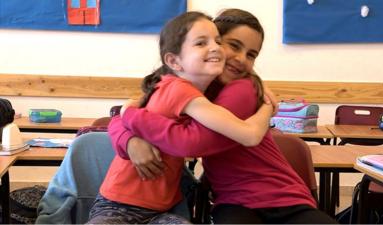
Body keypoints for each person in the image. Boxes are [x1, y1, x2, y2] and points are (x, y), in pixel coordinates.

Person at [110, 9, 337, 224]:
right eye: (233, 46)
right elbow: (120, 115)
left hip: (280, 196)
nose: (240, 59)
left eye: (251, 55)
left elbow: (196, 144)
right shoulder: (189, 87)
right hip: (233, 200)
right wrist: (130, 140)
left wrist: (132, 116)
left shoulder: (242, 88)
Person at [87, 11, 273, 224]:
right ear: (175, 61)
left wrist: (128, 113)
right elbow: (249, 135)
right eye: (201, 43)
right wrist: (267, 108)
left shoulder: (173, 86)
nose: (215, 47)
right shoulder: (181, 91)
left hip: (162, 208)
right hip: (118, 205)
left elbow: (127, 111)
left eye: (217, 41)